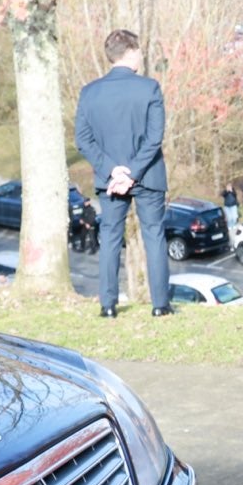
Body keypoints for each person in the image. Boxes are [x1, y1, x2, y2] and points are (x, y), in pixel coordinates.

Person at [74, 29, 170, 317]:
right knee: (153, 235)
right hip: (147, 174)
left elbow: (83, 140)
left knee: (110, 238)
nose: (141, 56)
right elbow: (154, 137)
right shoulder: (149, 88)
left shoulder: (90, 93)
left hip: (110, 179)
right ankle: (160, 305)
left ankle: (108, 306)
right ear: (130, 52)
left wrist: (112, 170)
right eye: (139, 51)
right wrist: (132, 172)